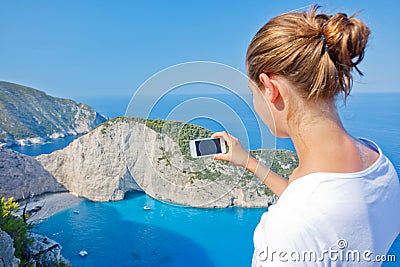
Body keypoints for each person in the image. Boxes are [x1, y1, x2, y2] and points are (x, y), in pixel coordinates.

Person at [212, 6, 400, 266]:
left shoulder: (287, 231)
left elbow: (307, 212)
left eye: (252, 92)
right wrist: (248, 162)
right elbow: (319, 200)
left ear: (270, 88)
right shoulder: (381, 167)